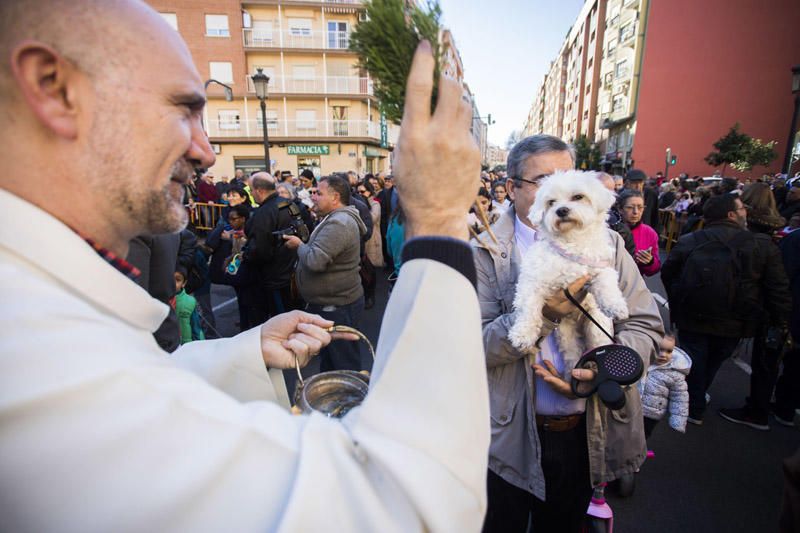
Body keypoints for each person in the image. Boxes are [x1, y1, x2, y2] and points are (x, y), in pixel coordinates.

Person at [1, 10, 495, 529]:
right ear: (54, 88)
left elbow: (134, 388)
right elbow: (405, 503)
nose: (206, 151)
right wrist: (439, 222)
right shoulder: (33, 349)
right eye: (183, 109)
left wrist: (242, 351)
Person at [473, 135, 663, 533]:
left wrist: (607, 368)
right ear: (513, 188)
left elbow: (643, 323)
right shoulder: (482, 252)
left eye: (567, 179)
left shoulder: (609, 245)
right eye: (544, 180)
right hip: (505, 436)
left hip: (583, 431)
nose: (560, 194)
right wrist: (543, 316)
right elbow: (472, 345)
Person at [661, 194, 790, 427]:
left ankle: (695, 402)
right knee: (713, 359)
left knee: (696, 359)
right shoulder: (760, 245)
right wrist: (781, 321)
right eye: (741, 209)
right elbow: (777, 287)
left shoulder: (691, 240)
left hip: (694, 315)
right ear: (731, 214)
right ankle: (696, 402)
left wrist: (677, 302)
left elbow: (668, 273)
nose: (745, 213)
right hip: (737, 320)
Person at [283, 175, 367, 383]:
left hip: (337, 307)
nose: (314, 197)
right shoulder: (334, 218)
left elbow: (315, 261)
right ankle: (333, 403)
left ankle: (350, 408)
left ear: (335, 197)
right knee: (331, 362)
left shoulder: (340, 223)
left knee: (344, 365)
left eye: (319, 193)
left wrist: (298, 245)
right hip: (331, 305)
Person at [243, 173, 303, 327]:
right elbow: (303, 231)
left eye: (251, 190)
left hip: (274, 277)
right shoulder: (289, 204)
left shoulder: (264, 212)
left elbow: (260, 251)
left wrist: (245, 255)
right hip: (293, 271)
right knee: (294, 316)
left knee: (281, 323)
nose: (251, 194)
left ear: (259, 190)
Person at [640, 334, 691, 439]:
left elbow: (680, 398)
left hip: (651, 414)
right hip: (631, 408)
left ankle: (637, 452)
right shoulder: (643, 361)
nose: (664, 355)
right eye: (660, 350)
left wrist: (678, 419)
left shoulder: (675, 373)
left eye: (669, 351)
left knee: (643, 436)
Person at [617, 190, 661, 277]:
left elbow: (654, 270)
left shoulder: (649, 233)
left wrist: (650, 261)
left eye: (640, 207)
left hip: (634, 284)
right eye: (630, 207)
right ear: (620, 209)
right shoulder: (610, 229)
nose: (636, 212)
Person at [174, 269, 205, 344]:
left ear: (184, 283)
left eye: (178, 280)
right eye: (170, 279)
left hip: (187, 345)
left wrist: (200, 344)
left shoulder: (189, 301)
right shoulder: (159, 299)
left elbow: (196, 327)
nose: (173, 283)